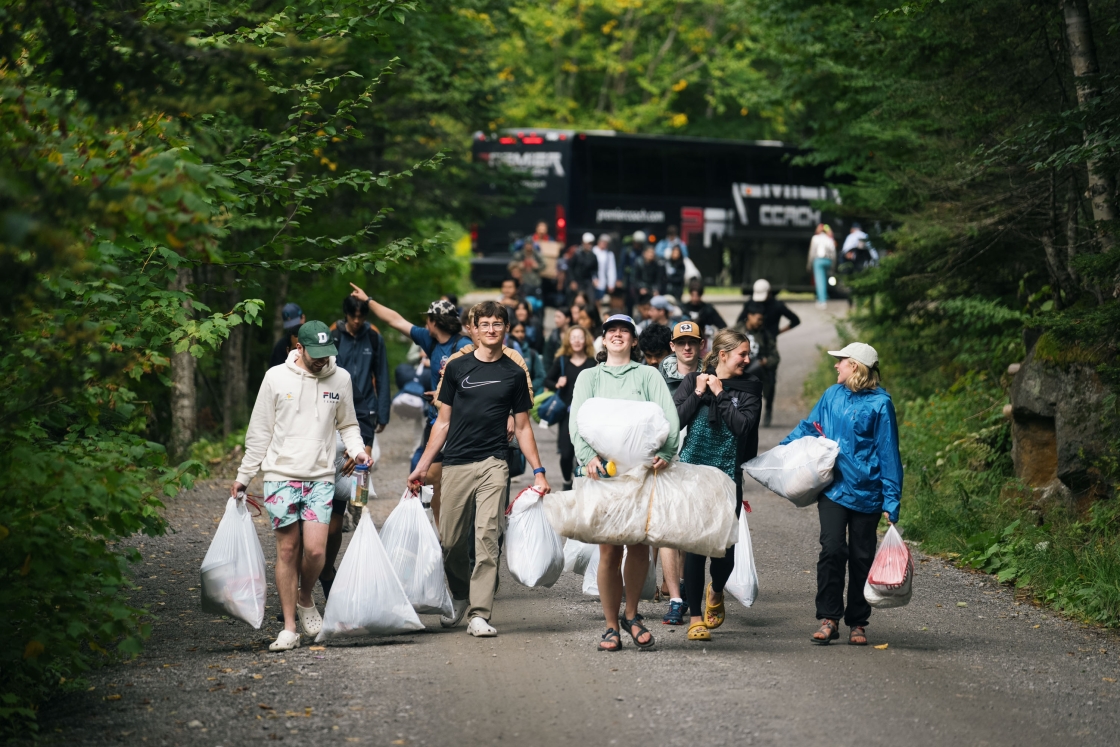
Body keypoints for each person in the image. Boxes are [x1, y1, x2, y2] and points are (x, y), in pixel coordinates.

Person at [408, 301, 550, 637]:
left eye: (497, 324)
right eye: (483, 323)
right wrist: (422, 466)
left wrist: (539, 471)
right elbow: (441, 424)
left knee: (486, 536)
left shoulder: (514, 373)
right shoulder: (457, 368)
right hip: (456, 461)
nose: (490, 329)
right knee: (451, 542)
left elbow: (524, 426)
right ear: (472, 328)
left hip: (493, 462)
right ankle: (459, 594)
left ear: (505, 329)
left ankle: (479, 613)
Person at [232, 321, 371, 651]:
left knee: (316, 550)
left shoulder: (341, 379)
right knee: (288, 550)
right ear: (300, 347)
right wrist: (243, 475)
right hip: (280, 475)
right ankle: (290, 628)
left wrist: (359, 450)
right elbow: (259, 433)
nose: (323, 360)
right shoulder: (276, 378)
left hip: (320, 476)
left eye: (328, 354)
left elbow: (348, 425)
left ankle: (305, 595)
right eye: (316, 354)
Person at [569, 314, 680, 652]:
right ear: (603, 340)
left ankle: (632, 615)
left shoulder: (648, 375)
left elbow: (669, 417)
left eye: (624, 332)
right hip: (603, 474)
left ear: (634, 340)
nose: (617, 336)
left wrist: (667, 451)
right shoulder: (589, 377)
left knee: (638, 545)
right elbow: (577, 422)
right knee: (608, 549)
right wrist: (588, 457)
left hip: (642, 474)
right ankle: (610, 625)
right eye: (611, 331)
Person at [781, 342, 902, 648]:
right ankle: (829, 619)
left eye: (842, 361)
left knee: (862, 557)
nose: (836, 366)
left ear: (856, 367)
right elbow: (811, 427)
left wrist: (891, 498)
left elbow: (889, 453)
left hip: (869, 493)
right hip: (834, 489)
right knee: (832, 550)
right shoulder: (831, 395)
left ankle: (858, 623)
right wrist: (781, 453)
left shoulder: (880, 404)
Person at [349, 285, 471, 522]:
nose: (425, 323)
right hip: (436, 421)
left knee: (439, 477)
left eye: (428, 319)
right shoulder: (430, 340)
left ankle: (454, 528)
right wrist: (368, 299)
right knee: (433, 480)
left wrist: (444, 392)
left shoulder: (464, 346)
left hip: (459, 424)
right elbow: (396, 321)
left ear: (436, 321)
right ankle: (443, 533)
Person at [673, 329, 762, 642]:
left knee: (724, 552)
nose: (747, 360)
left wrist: (721, 393)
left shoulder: (749, 387)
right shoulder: (692, 382)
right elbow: (672, 423)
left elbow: (743, 427)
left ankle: (718, 588)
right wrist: (698, 394)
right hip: (693, 475)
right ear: (723, 355)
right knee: (696, 547)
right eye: (742, 354)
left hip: (728, 476)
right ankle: (695, 617)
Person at [649, 320, 703, 622]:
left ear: (701, 345)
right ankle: (676, 598)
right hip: (666, 462)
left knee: (688, 534)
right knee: (668, 531)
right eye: (681, 342)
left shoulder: (712, 375)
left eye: (692, 342)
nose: (686, 347)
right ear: (672, 346)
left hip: (698, 463)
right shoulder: (656, 378)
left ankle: (684, 584)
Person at [543, 325, 597, 489]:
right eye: (573, 337)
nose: (577, 341)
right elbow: (547, 381)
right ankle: (567, 481)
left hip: (588, 414)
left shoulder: (592, 363)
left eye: (580, 337)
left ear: (586, 340)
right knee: (566, 454)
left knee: (586, 452)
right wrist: (557, 383)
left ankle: (583, 482)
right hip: (567, 414)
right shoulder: (562, 361)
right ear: (568, 340)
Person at [736, 303, 781, 427]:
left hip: (761, 370)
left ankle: (767, 409)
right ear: (749, 316)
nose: (760, 322)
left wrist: (765, 362)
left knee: (770, 383)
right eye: (758, 319)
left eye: (762, 319)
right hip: (740, 369)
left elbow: (775, 356)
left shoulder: (765, 335)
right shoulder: (736, 332)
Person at [509, 321, 546, 394]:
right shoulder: (504, 352)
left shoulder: (532, 353)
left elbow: (541, 376)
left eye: (522, 331)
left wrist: (528, 388)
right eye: (516, 331)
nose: (520, 334)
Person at [807, 224, 837, 308]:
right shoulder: (829, 239)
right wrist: (833, 265)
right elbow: (834, 253)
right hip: (828, 260)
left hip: (818, 260)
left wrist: (809, 264)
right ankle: (825, 295)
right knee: (825, 279)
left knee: (820, 281)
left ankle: (822, 300)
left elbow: (812, 252)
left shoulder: (815, 238)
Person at [269, 302, 305, 367]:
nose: (293, 329)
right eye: (290, 327)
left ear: (303, 318)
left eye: (295, 325)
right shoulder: (280, 346)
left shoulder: (315, 338)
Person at [567, 233, 599, 305]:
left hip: (588, 281)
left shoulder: (593, 256)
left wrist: (596, 278)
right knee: (576, 300)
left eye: (591, 243)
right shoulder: (577, 254)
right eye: (588, 243)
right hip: (577, 281)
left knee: (590, 300)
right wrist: (572, 280)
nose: (589, 245)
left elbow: (595, 269)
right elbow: (570, 268)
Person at [592, 233, 618, 302]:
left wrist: (611, 283)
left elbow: (611, 269)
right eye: (603, 242)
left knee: (599, 302)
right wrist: (593, 278)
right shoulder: (593, 251)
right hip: (591, 282)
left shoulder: (609, 254)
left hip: (601, 283)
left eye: (606, 243)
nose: (604, 244)